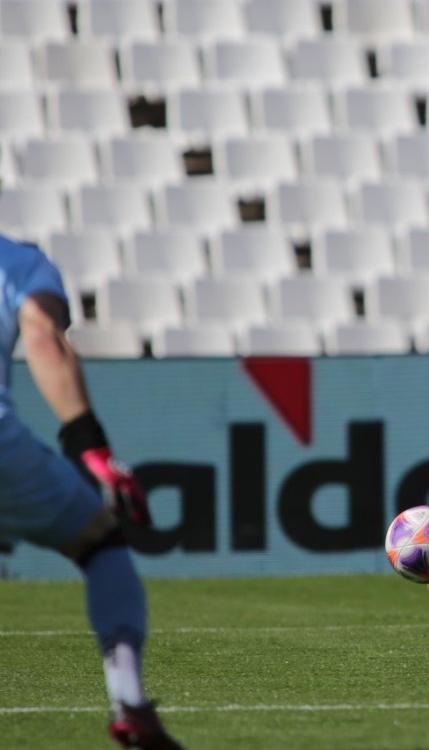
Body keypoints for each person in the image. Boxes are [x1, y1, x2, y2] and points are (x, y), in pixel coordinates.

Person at [0, 229, 184, 746]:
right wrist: (92, 446)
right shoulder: (18, 261)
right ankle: (130, 701)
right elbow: (42, 335)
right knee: (101, 543)